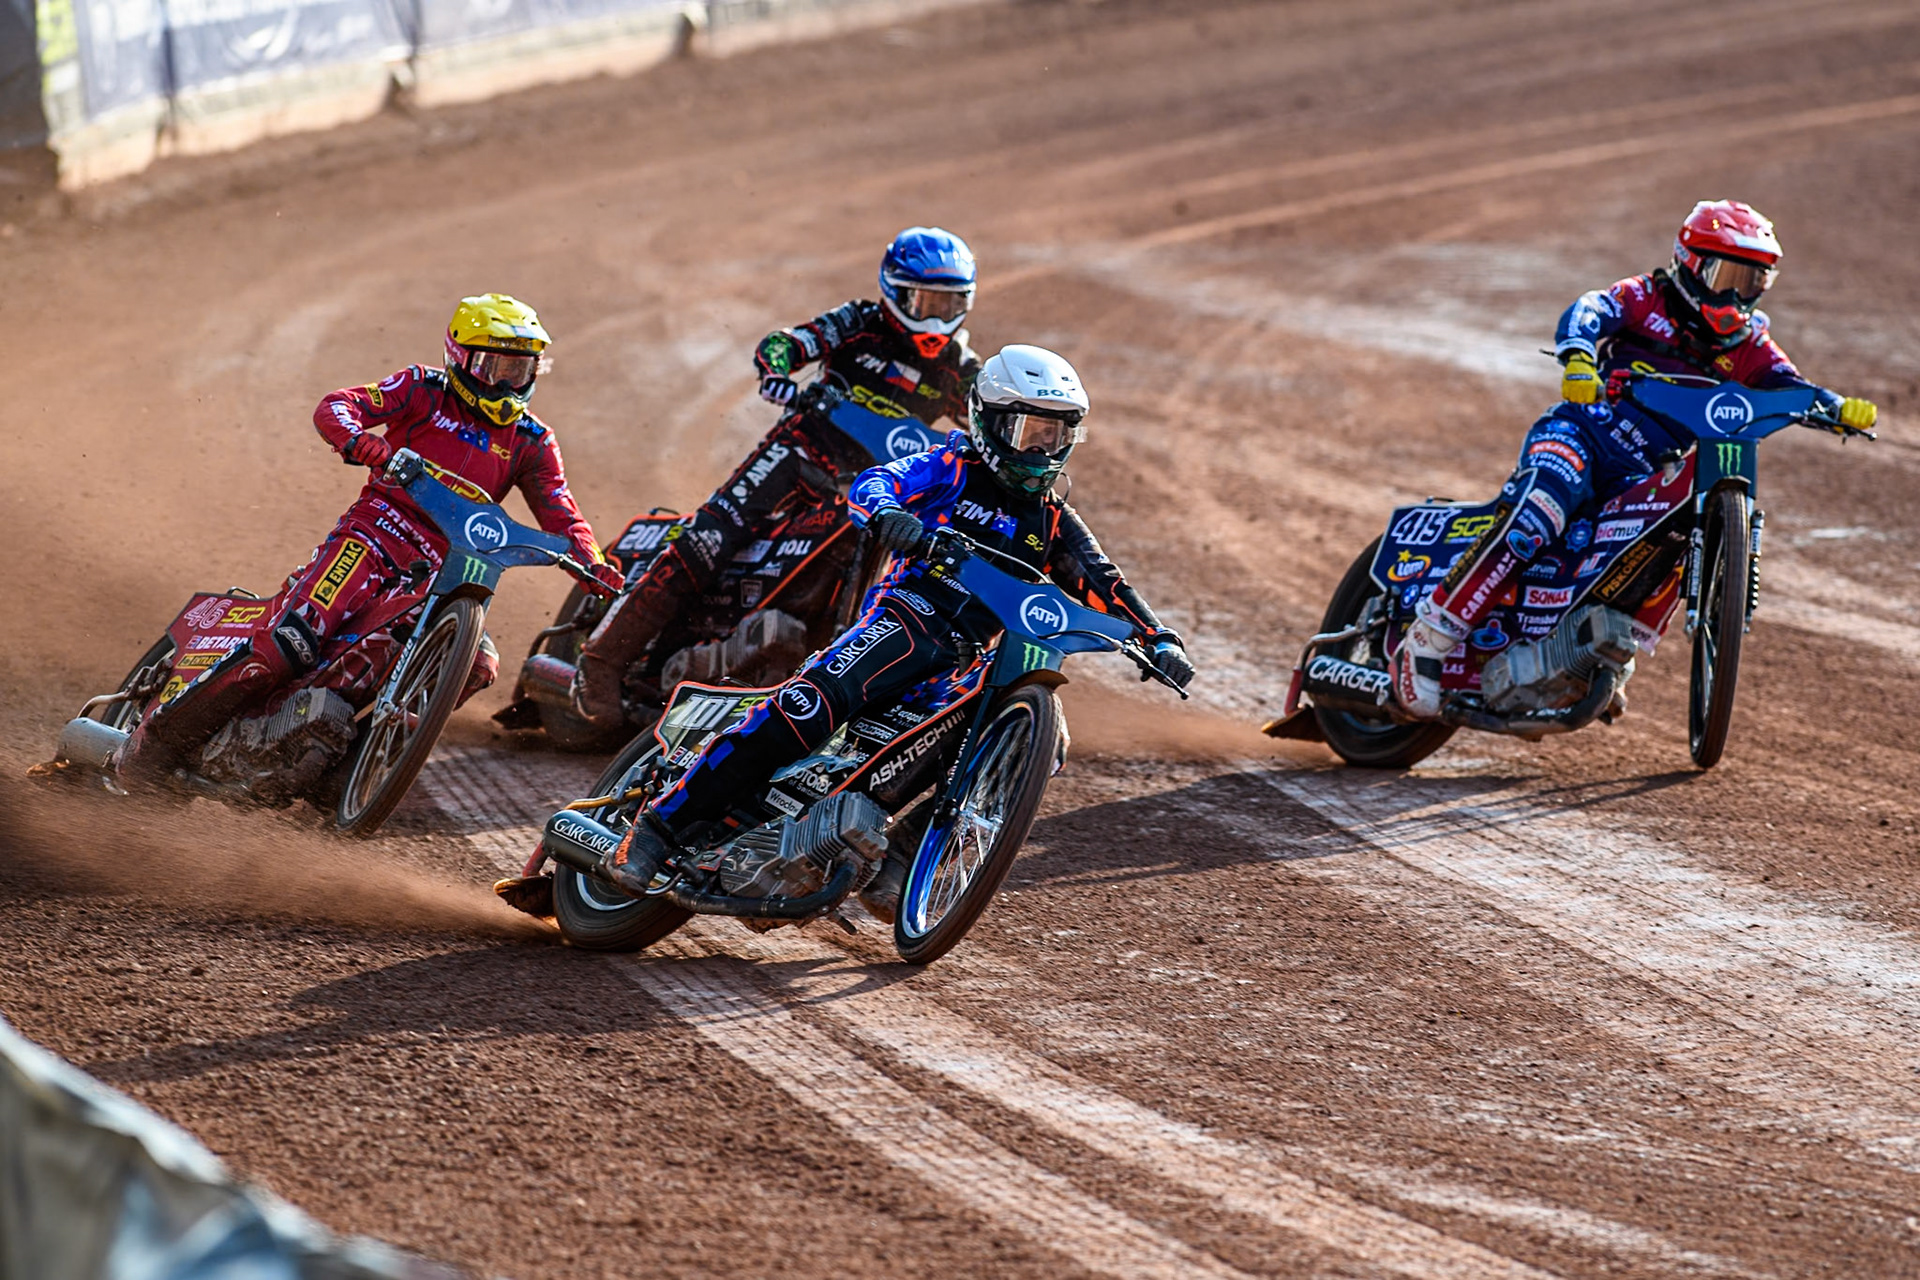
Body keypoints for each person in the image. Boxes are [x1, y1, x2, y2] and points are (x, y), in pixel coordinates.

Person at [595, 344, 1195, 916]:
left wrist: (1158, 637)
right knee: (808, 704)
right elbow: (877, 482)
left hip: (962, 659)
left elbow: (1103, 581)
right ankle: (656, 827)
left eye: (1058, 434)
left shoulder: (1055, 521)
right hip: (903, 620)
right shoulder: (951, 466)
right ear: (988, 422)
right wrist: (890, 515)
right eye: (1030, 431)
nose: (1043, 449)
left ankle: (903, 856)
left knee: (1041, 734)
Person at [1389, 200, 1880, 718]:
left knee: (1676, 538)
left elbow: (1788, 385)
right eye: (1728, 275)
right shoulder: (1647, 297)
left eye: (1753, 281)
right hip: (1581, 436)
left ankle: (1607, 656)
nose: (1738, 295)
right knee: (1539, 515)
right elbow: (1590, 309)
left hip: (1644, 473)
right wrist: (1578, 355)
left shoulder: (1749, 343)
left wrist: (1835, 407)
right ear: (1691, 264)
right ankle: (1428, 639)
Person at [117, 294, 622, 780]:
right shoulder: (422, 388)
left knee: (477, 663)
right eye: (496, 368)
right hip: (374, 536)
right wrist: (365, 445)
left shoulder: (532, 440)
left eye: (521, 370)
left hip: (444, 572)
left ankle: (348, 773)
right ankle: (150, 748)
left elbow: (562, 510)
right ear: (460, 359)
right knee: (288, 644)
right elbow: (337, 406)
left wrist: (592, 562)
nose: (508, 383)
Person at [568, 226, 985, 727]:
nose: (935, 316)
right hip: (799, 455)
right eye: (924, 301)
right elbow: (787, 344)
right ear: (893, 293)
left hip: (873, 487)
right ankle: (602, 659)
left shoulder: (960, 368)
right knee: (708, 538)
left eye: (949, 302)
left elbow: (987, 424)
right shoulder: (858, 322)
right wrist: (780, 373)